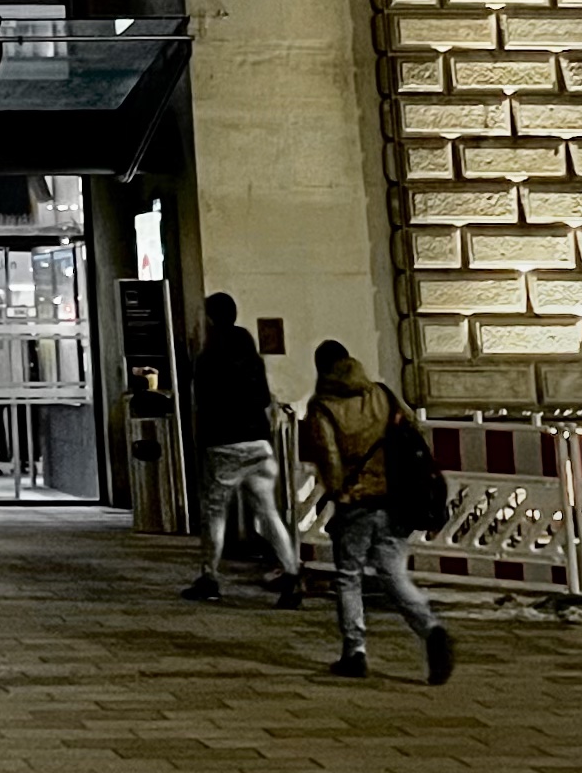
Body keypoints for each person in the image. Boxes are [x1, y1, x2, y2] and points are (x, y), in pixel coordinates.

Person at [301, 339, 453, 685]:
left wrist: (340, 492)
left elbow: (329, 456)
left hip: (358, 503)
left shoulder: (323, 406)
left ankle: (354, 651)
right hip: (396, 500)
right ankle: (430, 628)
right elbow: (414, 431)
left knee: (348, 576)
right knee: (393, 574)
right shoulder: (381, 393)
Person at [181, 291, 304, 608]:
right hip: (259, 444)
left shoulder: (207, 359)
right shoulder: (251, 356)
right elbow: (264, 400)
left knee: (214, 513)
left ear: (209, 318)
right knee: (267, 511)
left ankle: (209, 577)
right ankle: (291, 572)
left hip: (224, 444)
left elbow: (203, 407)